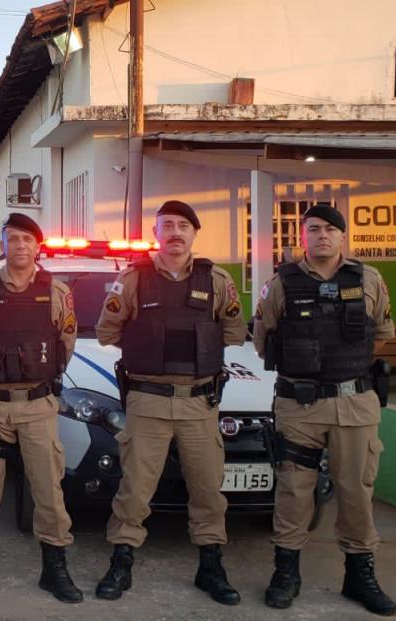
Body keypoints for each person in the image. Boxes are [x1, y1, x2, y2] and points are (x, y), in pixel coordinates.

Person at [92, 200, 247, 604]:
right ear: (156, 233)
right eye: (167, 226)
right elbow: (108, 331)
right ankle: (121, 561)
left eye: (183, 225)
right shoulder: (133, 280)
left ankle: (210, 566)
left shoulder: (217, 281)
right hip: (148, 402)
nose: (175, 232)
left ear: (194, 233)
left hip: (199, 403)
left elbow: (233, 331)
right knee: (135, 489)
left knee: (208, 489)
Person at [253, 203, 396, 616]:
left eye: (331, 230)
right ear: (302, 236)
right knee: (294, 492)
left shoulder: (369, 279)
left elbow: (381, 335)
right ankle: (286, 572)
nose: (322, 236)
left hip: (355, 404)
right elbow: (264, 339)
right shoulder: (280, 283)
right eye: (313, 229)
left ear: (343, 236)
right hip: (300, 406)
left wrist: (343, 368)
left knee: (355, 492)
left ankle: (359, 576)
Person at [0, 213, 83, 603]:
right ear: (2, 244)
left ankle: (54, 569)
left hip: (38, 406)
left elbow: (65, 344)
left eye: (26, 239)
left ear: (37, 246)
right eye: (12, 239)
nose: (19, 245)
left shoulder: (56, 291)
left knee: (48, 488)